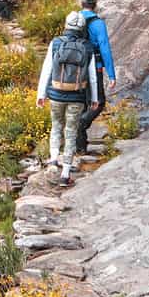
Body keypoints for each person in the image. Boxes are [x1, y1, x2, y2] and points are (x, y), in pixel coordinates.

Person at [36, 9, 102, 183]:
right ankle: (65, 174)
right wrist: (94, 99)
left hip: (56, 94)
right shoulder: (87, 46)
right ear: (81, 27)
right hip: (77, 97)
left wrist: (41, 94)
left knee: (56, 126)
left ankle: (53, 160)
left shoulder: (56, 43)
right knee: (71, 132)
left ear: (66, 25)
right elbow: (93, 77)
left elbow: (47, 70)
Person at [74, 0, 116, 154]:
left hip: (76, 67)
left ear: (81, 3)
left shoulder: (74, 19)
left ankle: (80, 147)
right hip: (94, 67)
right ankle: (80, 126)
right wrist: (111, 74)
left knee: (84, 103)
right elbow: (104, 48)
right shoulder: (98, 23)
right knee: (99, 102)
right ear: (95, 4)